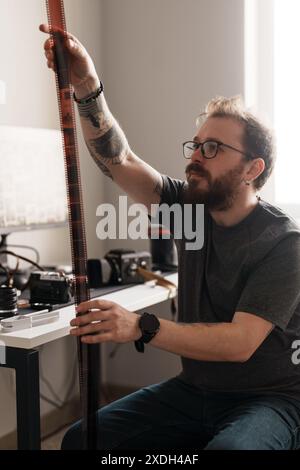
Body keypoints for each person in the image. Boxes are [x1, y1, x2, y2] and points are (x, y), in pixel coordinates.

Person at [40, 24, 300, 450]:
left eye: (213, 148)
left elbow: (239, 343)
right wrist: (87, 85)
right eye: (195, 145)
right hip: (194, 390)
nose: (195, 157)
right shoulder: (189, 208)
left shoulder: (285, 243)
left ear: (253, 169)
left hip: (269, 399)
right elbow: (118, 159)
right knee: (82, 440)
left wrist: (139, 325)